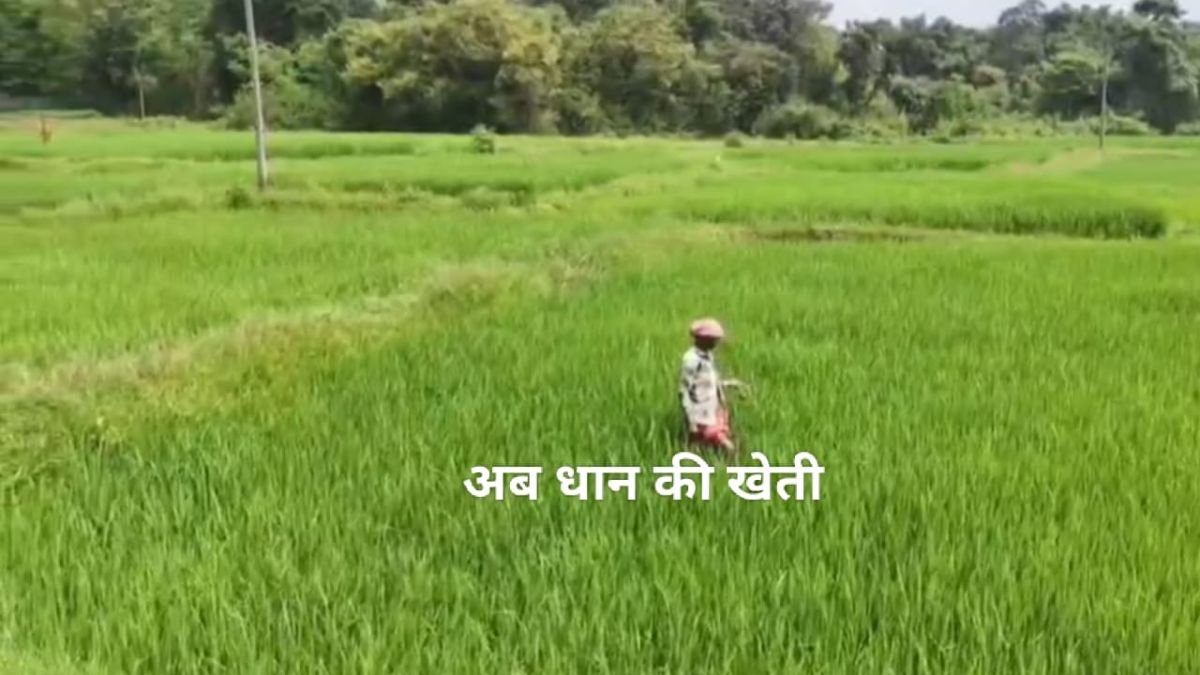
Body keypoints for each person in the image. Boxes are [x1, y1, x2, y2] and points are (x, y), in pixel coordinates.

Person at [679, 318, 747, 458]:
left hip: (712, 407)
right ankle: (735, 462)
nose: (716, 343)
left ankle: (693, 457)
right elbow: (685, 390)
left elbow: (709, 381)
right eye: (713, 340)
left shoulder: (707, 356)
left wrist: (730, 384)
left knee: (700, 440)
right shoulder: (692, 361)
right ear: (702, 339)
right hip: (700, 411)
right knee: (719, 439)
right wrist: (691, 419)